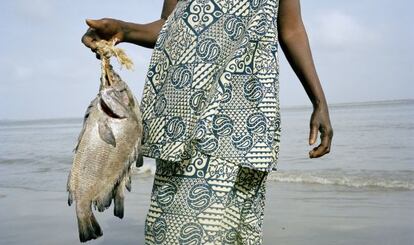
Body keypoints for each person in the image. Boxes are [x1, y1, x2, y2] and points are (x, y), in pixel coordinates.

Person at [82, 0, 333, 244]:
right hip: (186, 118)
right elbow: (170, 25)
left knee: (236, 233)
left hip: (250, 120)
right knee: (179, 230)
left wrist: (319, 101)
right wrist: (124, 30)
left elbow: (291, 29)